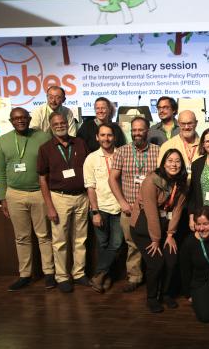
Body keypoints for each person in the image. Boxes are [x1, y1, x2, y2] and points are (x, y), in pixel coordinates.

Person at [0, 107, 55, 291]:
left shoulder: (43, 137)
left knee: (44, 236)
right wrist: (2, 197)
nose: (20, 120)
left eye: (23, 117)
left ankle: (49, 273)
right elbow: (0, 171)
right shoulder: (4, 140)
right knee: (21, 237)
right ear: (11, 121)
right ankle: (25, 275)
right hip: (14, 194)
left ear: (30, 119)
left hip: (39, 193)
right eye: (16, 118)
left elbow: (51, 165)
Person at [36, 112, 91, 292]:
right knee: (60, 240)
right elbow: (42, 179)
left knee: (80, 239)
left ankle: (79, 273)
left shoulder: (80, 143)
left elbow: (89, 171)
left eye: (62, 122)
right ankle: (61, 276)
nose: (60, 125)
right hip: (59, 198)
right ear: (51, 126)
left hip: (82, 197)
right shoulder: (45, 149)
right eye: (56, 123)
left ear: (67, 123)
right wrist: (49, 206)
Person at [130, 149, 188, 313]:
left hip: (165, 227)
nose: (173, 164)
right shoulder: (151, 181)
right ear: (163, 163)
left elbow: (177, 210)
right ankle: (152, 298)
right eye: (170, 160)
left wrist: (170, 234)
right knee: (156, 263)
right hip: (143, 227)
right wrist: (156, 239)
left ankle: (166, 294)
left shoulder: (182, 182)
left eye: (177, 161)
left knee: (171, 258)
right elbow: (151, 212)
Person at [109, 116, 160, 292]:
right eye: (134, 130)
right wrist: (122, 202)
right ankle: (135, 277)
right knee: (132, 245)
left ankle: (155, 276)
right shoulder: (121, 152)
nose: (137, 133)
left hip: (152, 209)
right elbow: (112, 179)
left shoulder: (158, 151)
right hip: (130, 208)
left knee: (154, 242)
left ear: (148, 130)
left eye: (140, 130)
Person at [83, 123, 123, 293]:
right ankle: (106, 277)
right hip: (101, 208)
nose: (106, 138)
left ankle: (98, 276)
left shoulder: (123, 154)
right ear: (97, 137)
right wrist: (95, 212)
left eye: (109, 135)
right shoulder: (91, 158)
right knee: (103, 244)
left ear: (114, 137)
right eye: (103, 135)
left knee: (116, 243)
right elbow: (90, 187)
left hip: (120, 208)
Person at [158, 110, 201, 178]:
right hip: (176, 187)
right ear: (178, 124)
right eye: (183, 124)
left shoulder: (205, 145)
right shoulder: (167, 146)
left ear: (196, 123)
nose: (186, 127)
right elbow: (161, 173)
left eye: (190, 123)